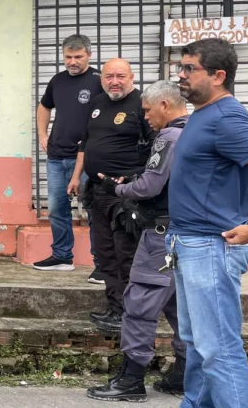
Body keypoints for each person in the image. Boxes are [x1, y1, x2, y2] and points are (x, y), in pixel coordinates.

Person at [85, 80, 188, 401]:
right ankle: (184, 373)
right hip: (185, 234)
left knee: (140, 304)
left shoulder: (169, 136)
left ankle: (131, 380)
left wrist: (118, 189)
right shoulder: (197, 130)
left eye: (147, 110)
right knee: (177, 306)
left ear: (165, 106)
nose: (144, 117)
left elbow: (150, 187)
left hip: (161, 235)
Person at [166, 38, 248, 408]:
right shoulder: (204, 114)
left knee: (219, 348)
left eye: (189, 68)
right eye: (181, 67)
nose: (181, 75)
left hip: (211, 247)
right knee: (198, 344)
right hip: (188, 243)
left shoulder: (228, 118)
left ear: (218, 75)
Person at [68, 58, 155, 332]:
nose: (114, 81)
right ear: (102, 79)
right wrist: (75, 176)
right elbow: (85, 143)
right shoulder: (97, 103)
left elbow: (156, 147)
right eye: (109, 76)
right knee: (105, 254)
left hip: (126, 197)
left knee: (125, 254)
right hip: (98, 192)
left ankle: (130, 313)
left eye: (120, 76)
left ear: (132, 77)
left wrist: (138, 178)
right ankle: (114, 309)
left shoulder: (143, 104)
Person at [34, 34, 105, 283]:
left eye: (78, 57)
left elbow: (109, 112)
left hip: (87, 159)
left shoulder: (100, 81)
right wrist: (43, 135)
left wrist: (96, 141)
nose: (72, 62)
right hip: (56, 156)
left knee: (93, 211)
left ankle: (102, 265)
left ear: (89, 55)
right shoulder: (58, 80)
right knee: (56, 209)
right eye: (68, 57)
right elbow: (44, 107)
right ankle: (62, 256)